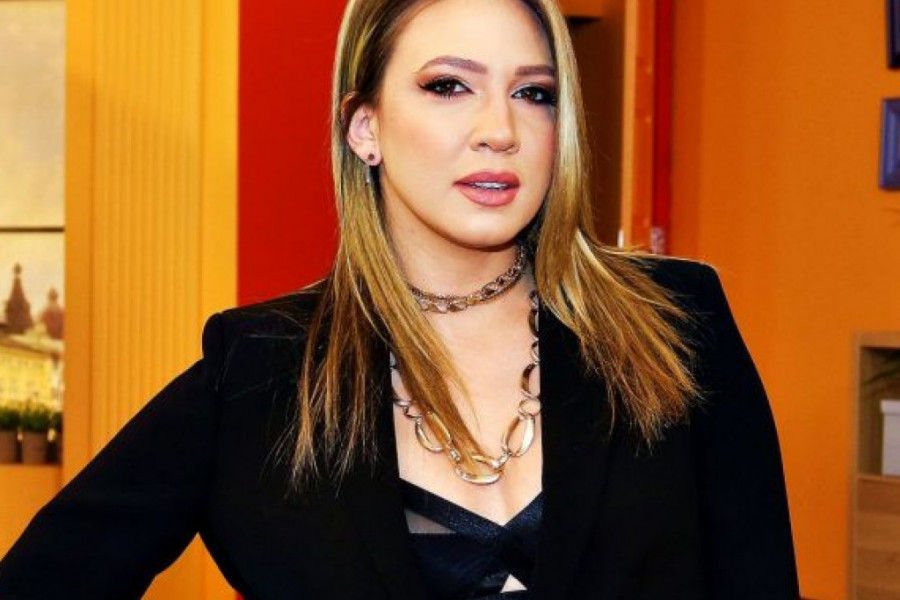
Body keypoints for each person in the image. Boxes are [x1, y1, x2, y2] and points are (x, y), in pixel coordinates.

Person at [0, 0, 801, 598]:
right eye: (448, 86)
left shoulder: (676, 321)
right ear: (365, 129)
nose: (500, 130)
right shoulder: (262, 372)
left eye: (535, 93)